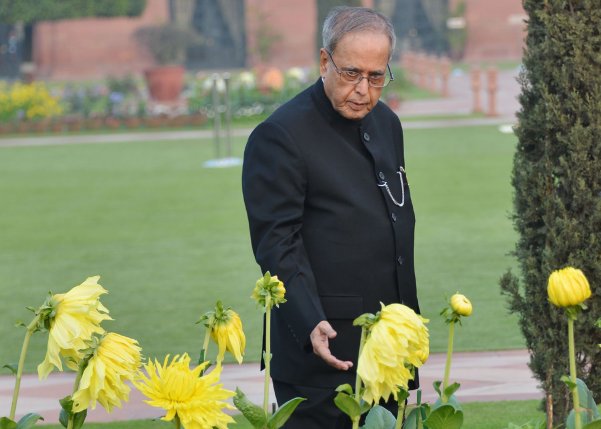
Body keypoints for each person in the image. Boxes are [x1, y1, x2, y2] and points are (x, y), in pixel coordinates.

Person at [242, 6, 419, 428]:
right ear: (325, 62)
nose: (364, 89)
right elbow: (276, 242)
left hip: (388, 346)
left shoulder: (387, 123)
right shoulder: (280, 136)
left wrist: (406, 328)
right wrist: (308, 321)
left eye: (377, 76)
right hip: (322, 349)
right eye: (351, 73)